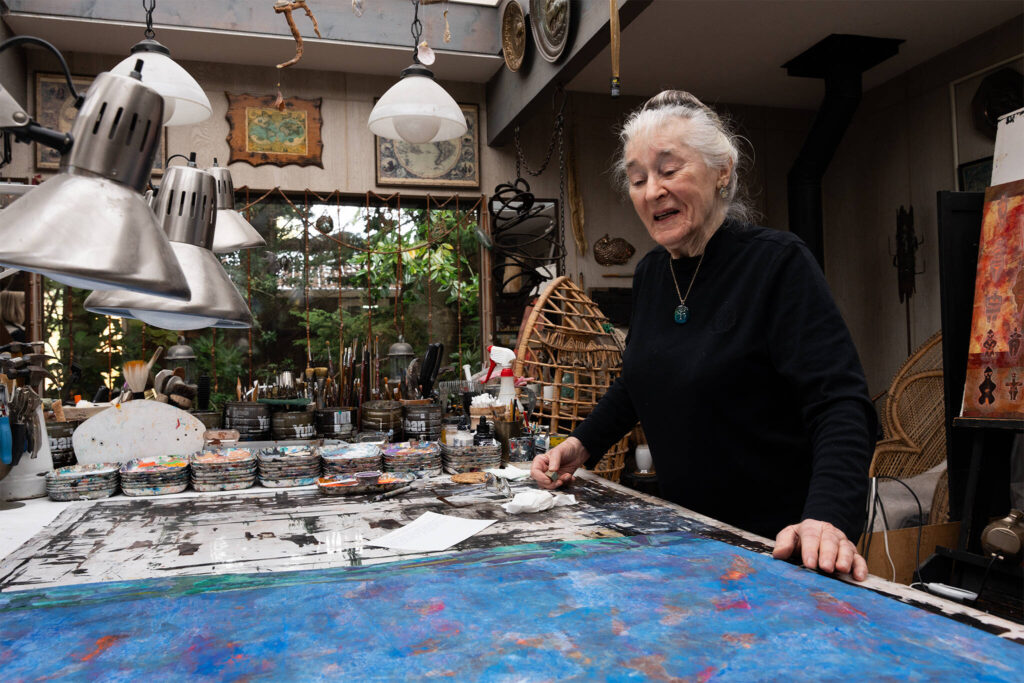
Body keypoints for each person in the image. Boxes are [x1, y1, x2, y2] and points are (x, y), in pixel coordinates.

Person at [530, 90, 877, 581]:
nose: (652, 191)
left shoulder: (777, 263)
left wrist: (828, 518)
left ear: (723, 171)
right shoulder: (652, 273)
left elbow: (840, 403)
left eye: (669, 171)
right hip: (689, 541)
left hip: (778, 547)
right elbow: (639, 380)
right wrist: (580, 446)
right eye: (637, 179)